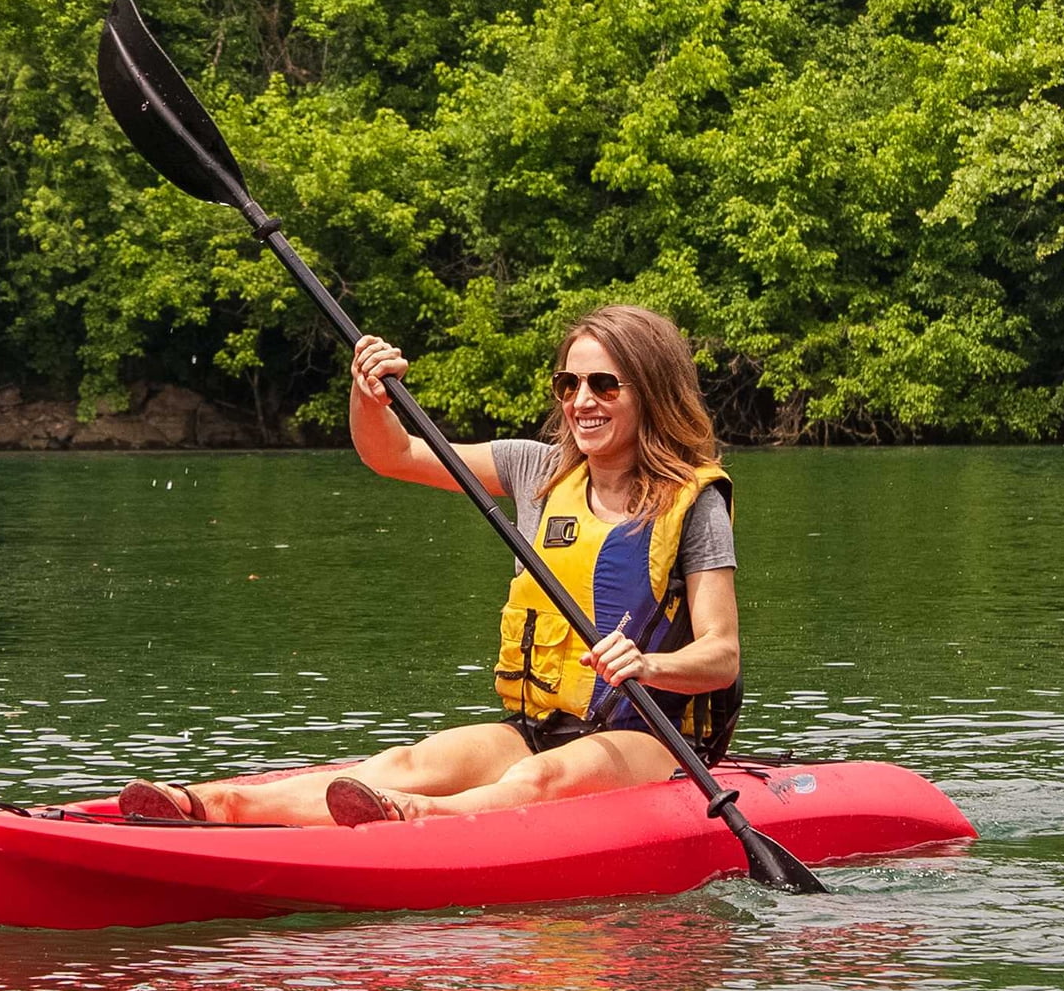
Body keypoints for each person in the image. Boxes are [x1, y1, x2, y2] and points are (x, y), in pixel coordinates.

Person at [118, 303, 741, 827]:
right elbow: (394, 454)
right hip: (538, 724)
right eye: (568, 385)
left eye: (604, 385)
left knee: (540, 777)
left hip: (652, 740)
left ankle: (416, 819)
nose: (582, 402)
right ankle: (218, 805)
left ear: (650, 392)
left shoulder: (692, 501)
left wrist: (649, 664)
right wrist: (368, 396)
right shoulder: (537, 470)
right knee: (404, 764)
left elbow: (722, 654)